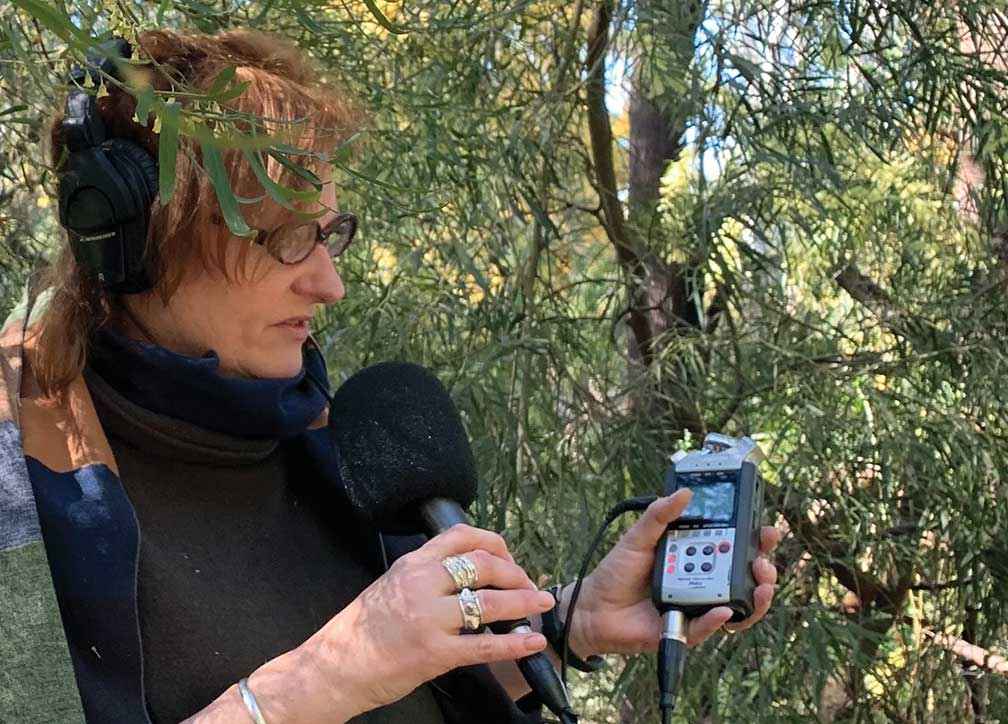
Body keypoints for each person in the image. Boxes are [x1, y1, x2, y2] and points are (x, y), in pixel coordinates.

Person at [0, 27, 780, 723]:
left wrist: (572, 622)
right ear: (136, 240)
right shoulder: (24, 480)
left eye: (330, 233)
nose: (329, 284)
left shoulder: (310, 422)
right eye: (288, 238)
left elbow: (413, 687)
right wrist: (329, 675)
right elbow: (361, 673)